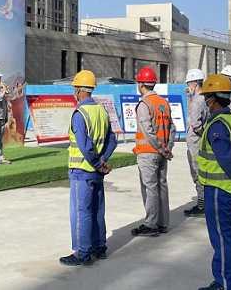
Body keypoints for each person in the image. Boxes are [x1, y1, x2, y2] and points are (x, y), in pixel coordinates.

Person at [196, 74, 231, 290]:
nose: (205, 102)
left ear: (213, 99)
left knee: (221, 237)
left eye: (206, 98)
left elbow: (225, 158)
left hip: (220, 188)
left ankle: (224, 283)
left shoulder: (217, 125)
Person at [59, 70, 118, 266]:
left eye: (74, 88)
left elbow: (84, 146)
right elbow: (112, 140)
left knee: (81, 212)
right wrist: (103, 160)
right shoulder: (101, 111)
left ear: (78, 89)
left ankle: (83, 253)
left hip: (82, 171)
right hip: (97, 173)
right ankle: (100, 246)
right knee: (97, 210)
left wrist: (98, 163)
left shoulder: (79, 114)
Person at [131, 66, 176, 237]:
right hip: (162, 153)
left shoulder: (144, 104)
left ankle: (150, 224)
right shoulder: (163, 102)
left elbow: (148, 131)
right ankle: (163, 223)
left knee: (150, 187)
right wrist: (167, 148)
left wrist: (161, 149)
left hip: (149, 152)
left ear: (141, 84)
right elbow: (172, 127)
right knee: (161, 186)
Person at [184, 68, 209, 218]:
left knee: (198, 175)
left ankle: (202, 205)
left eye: (189, 84)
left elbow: (195, 124)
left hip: (196, 143)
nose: (188, 86)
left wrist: (202, 135)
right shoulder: (204, 99)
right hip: (200, 142)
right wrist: (189, 98)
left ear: (194, 84)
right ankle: (204, 203)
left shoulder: (197, 101)